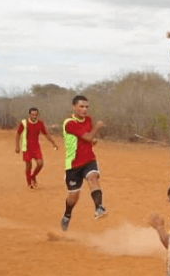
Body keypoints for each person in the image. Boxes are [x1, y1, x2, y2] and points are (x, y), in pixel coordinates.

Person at [60, 95, 107, 231]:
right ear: (73, 107)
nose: (84, 109)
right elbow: (87, 136)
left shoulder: (88, 119)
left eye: (86, 107)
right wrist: (97, 128)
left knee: (93, 178)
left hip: (88, 159)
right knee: (73, 198)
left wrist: (92, 140)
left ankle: (99, 208)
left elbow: (86, 136)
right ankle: (67, 214)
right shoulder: (69, 123)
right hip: (73, 164)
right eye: (81, 106)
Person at [15, 107, 58, 189]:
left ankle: (33, 176)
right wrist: (17, 146)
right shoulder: (24, 123)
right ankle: (29, 183)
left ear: (38, 115)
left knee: (40, 164)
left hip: (36, 147)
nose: (34, 116)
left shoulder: (40, 123)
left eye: (36, 115)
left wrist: (53, 143)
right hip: (26, 147)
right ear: (29, 115)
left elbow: (46, 134)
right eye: (32, 115)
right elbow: (18, 134)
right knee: (29, 165)